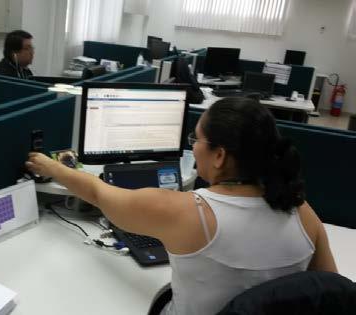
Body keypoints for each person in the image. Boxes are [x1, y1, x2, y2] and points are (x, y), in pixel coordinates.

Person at [25, 97, 337, 315]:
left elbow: (98, 192)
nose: (193, 147)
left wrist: (52, 168)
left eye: (196, 139)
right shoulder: (304, 213)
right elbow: (331, 296)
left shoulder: (188, 212)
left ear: (219, 155)